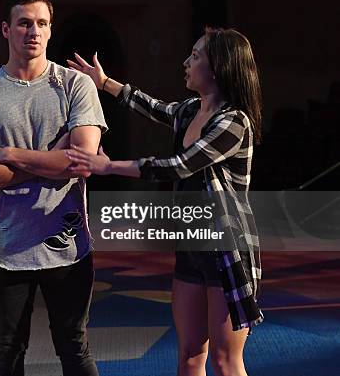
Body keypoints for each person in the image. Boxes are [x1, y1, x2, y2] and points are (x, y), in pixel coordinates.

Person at [66, 28, 263, 376]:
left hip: (227, 250)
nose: (186, 63)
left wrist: (108, 165)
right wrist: (105, 82)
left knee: (225, 361)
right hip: (192, 246)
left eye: (196, 56)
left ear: (218, 67)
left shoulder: (234, 122)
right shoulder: (190, 110)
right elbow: (154, 107)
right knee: (189, 354)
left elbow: (179, 166)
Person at [0, 0, 107, 376]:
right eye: (24, 22)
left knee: (74, 347)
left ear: (51, 31)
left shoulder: (76, 86)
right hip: (6, 245)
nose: (33, 31)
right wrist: (51, 160)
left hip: (68, 247)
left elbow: (82, 163)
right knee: (7, 349)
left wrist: (9, 154)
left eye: (41, 23)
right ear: (7, 30)